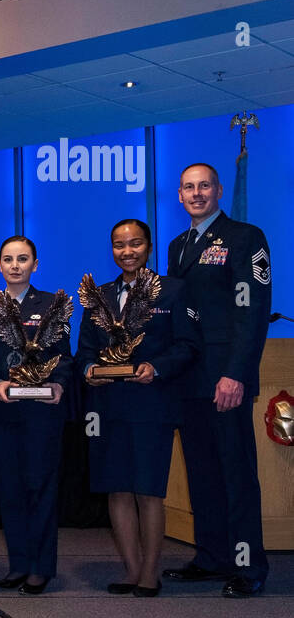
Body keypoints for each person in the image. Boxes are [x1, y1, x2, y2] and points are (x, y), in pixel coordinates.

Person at [164, 163, 271, 597]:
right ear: (179, 195)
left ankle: (248, 566)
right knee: (203, 475)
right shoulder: (176, 246)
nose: (196, 193)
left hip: (227, 380)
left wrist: (236, 373)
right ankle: (212, 557)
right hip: (189, 380)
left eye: (204, 185)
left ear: (219, 190)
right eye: (188, 187)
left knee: (236, 475)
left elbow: (253, 310)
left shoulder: (246, 237)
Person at [78, 219, 200, 597]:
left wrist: (157, 367)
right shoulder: (98, 295)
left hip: (153, 403)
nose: (126, 251)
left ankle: (150, 572)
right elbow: (84, 351)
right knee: (117, 490)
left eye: (134, 244)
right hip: (109, 405)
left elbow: (187, 345)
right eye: (119, 244)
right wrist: (89, 370)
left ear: (148, 246)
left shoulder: (174, 291)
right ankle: (130, 569)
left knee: (148, 491)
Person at [0, 236, 71, 595]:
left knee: (41, 487)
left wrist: (60, 383)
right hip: (3, 411)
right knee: (10, 490)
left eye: (23, 259)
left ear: (35, 264)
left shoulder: (52, 304)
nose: (15, 265)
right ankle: (18, 564)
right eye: (8, 259)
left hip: (42, 412)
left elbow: (64, 355)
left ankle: (41, 567)